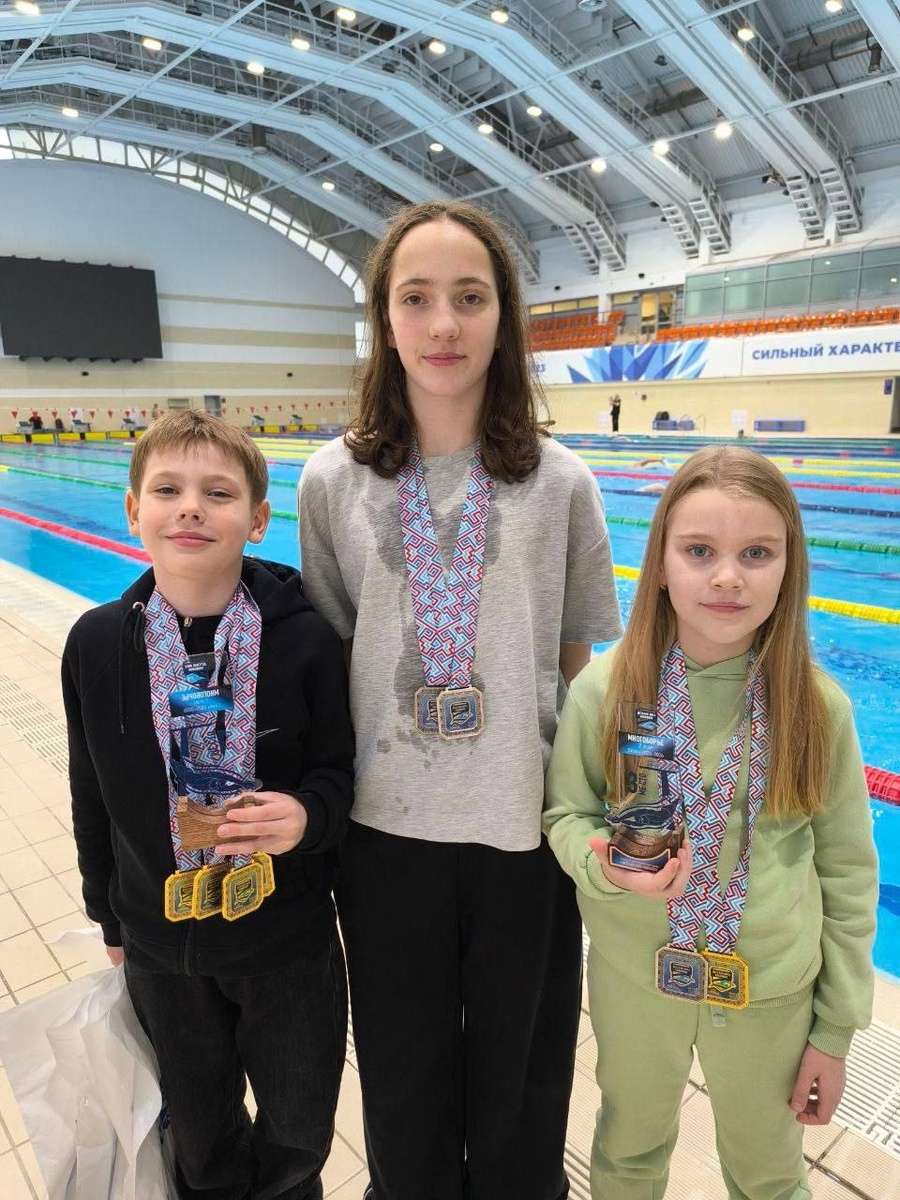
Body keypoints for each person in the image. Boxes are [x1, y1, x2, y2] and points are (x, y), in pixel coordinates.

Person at [298, 199, 622, 1200]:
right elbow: (333, 653)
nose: (444, 324)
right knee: (403, 1076)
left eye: (470, 298)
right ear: (386, 319)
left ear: (504, 317)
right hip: (384, 831)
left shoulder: (561, 483)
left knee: (523, 1077)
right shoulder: (332, 480)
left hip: (523, 830)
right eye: (417, 298)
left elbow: (574, 665)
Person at [543, 445, 878, 1200]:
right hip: (637, 980)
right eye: (700, 551)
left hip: (771, 993)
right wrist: (604, 864)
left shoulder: (816, 708)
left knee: (769, 1175)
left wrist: (834, 1033)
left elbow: (851, 877)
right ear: (660, 564)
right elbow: (566, 814)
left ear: (789, 568)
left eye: (757, 553)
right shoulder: (606, 689)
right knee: (627, 1156)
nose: (728, 577)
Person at [62, 409, 354, 1200]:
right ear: (133, 510)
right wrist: (109, 920)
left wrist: (307, 816)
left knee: (297, 1134)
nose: (191, 507)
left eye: (218, 493)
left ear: (257, 520)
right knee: (198, 1140)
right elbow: (89, 790)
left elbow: (340, 772)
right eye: (168, 490)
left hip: (285, 943)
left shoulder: (305, 640)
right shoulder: (96, 645)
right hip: (161, 945)